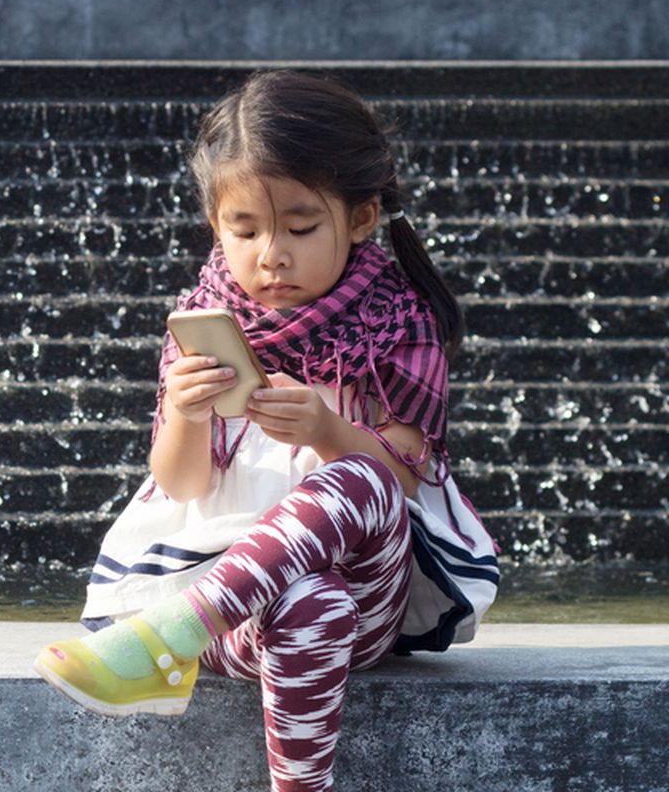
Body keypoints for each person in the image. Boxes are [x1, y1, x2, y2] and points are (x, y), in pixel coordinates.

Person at [32, 69, 500, 791]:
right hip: (237, 604)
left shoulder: (402, 325)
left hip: (368, 596)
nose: (270, 254)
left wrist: (327, 427)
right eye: (243, 229)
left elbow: (402, 478)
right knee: (308, 603)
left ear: (364, 218)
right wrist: (187, 413)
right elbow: (180, 484)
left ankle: (167, 639)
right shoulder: (201, 323)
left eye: (301, 227)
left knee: (361, 474)